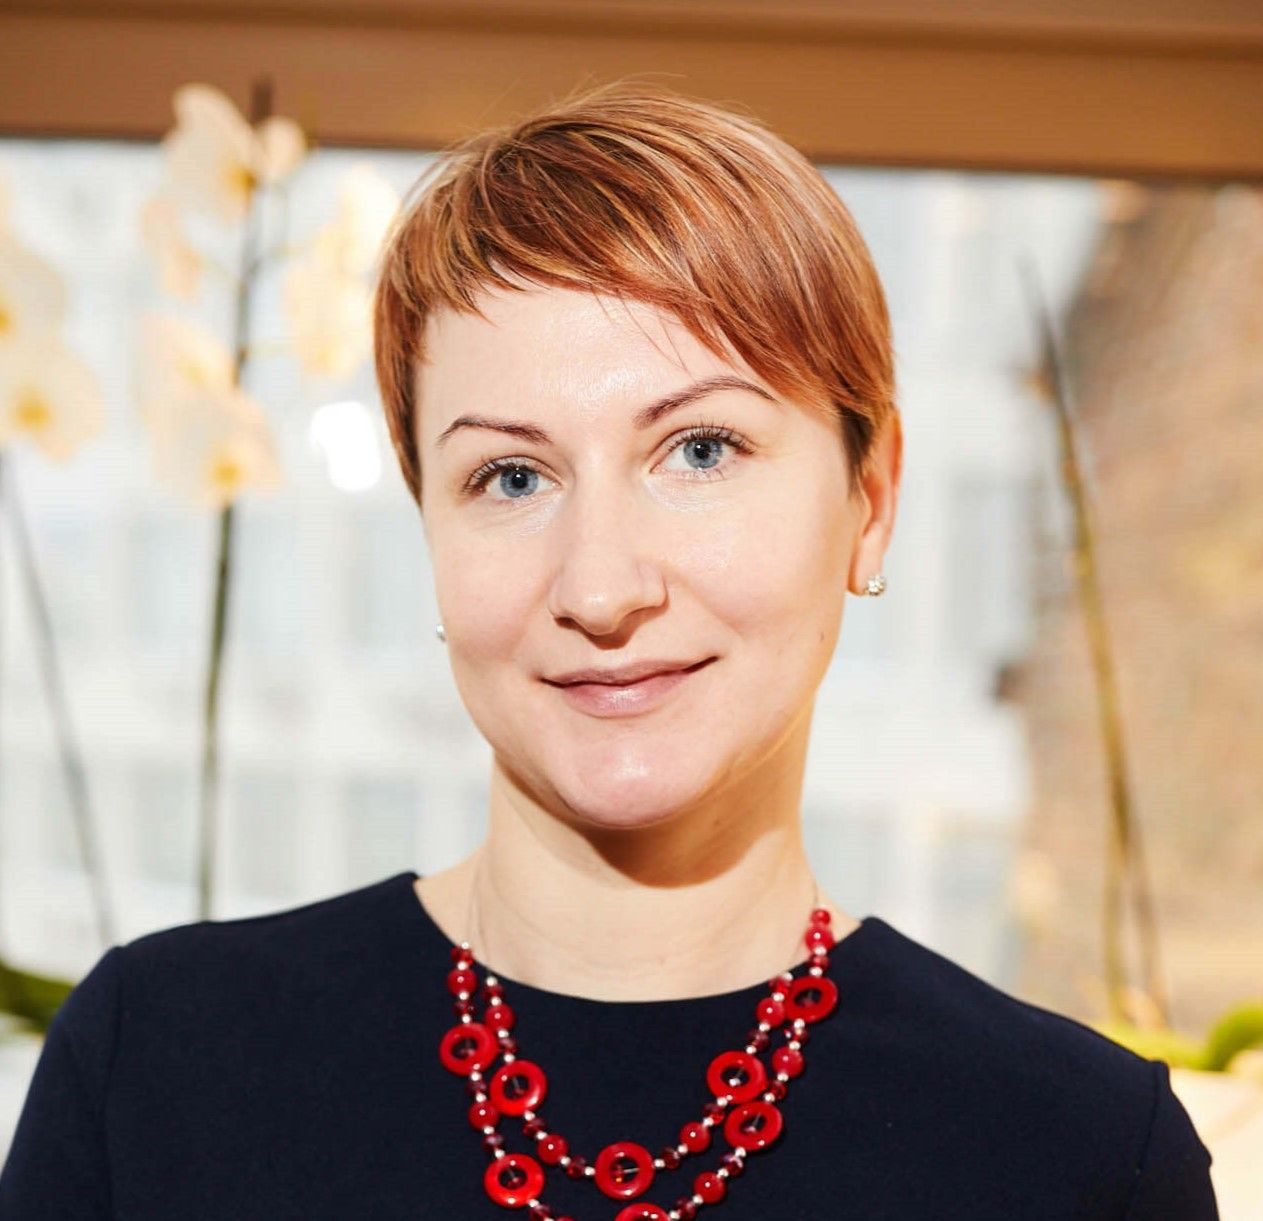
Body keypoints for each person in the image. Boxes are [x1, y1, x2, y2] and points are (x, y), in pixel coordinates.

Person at [0, 81, 1216, 1220]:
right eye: (509, 475)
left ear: (872, 497)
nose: (599, 587)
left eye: (700, 450)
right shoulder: (154, 1063)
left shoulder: (1084, 1154)